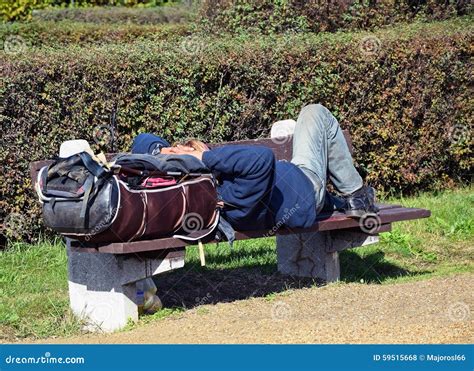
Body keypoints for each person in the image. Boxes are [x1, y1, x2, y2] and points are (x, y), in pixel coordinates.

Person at [131, 104, 378, 231]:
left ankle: (348, 199)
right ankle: (357, 195)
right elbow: (261, 159)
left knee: (294, 128)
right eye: (189, 150)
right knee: (315, 113)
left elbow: (142, 139)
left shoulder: (216, 187)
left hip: (294, 181)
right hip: (307, 188)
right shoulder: (231, 196)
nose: (181, 148)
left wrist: (160, 156)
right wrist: (203, 157)